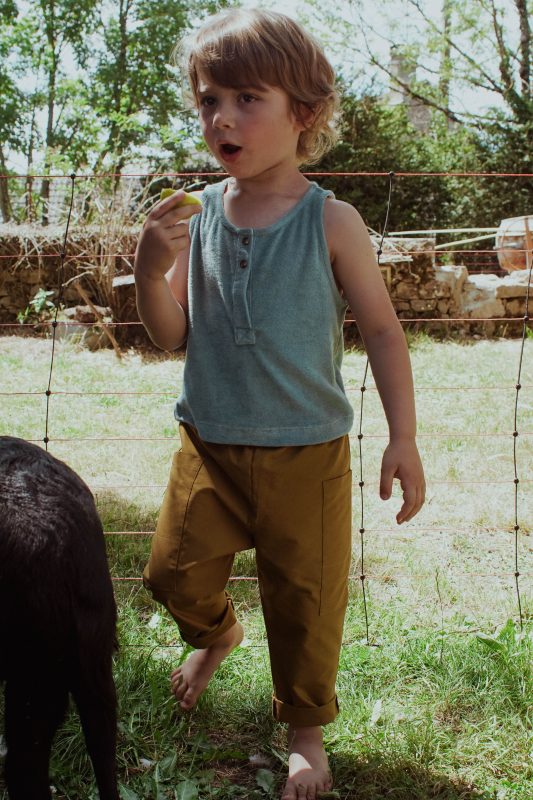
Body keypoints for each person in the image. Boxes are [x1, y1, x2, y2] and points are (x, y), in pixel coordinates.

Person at [134, 8, 425, 800]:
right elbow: (170, 334)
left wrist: (402, 438)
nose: (222, 118)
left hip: (308, 451)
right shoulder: (193, 217)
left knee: (305, 603)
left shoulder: (332, 221)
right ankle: (217, 633)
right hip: (209, 444)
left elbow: (384, 333)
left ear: (304, 112)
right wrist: (149, 267)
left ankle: (304, 732)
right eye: (208, 100)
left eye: (246, 98)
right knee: (171, 575)